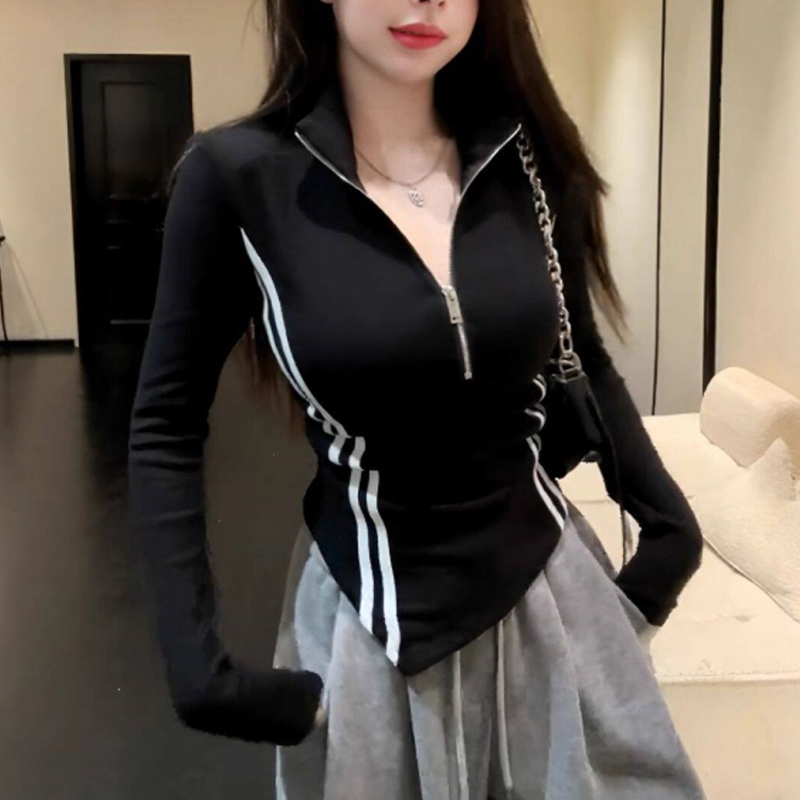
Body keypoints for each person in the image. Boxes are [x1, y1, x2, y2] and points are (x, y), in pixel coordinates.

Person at [127, 0, 708, 797]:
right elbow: (164, 423)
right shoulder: (241, 176)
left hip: (555, 601)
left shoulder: (525, 155)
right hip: (374, 635)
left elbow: (583, 356)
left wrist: (672, 532)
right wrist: (198, 670)